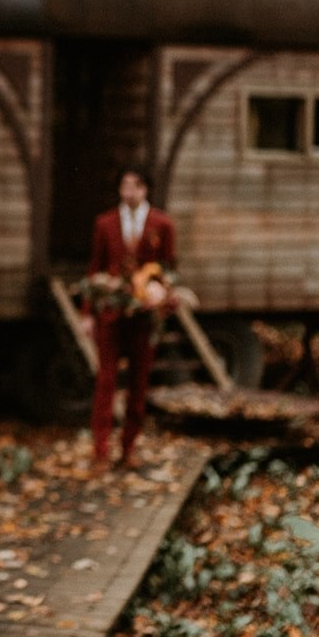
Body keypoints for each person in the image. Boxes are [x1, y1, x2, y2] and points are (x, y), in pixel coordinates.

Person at [80, 167, 175, 472]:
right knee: (106, 381)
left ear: (145, 189)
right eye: (123, 186)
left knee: (139, 383)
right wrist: (87, 313)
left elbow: (168, 268)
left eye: (134, 186)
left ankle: (129, 447)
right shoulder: (105, 223)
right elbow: (94, 267)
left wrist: (161, 294)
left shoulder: (162, 224)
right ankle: (100, 450)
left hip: (144, 317)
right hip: (110, 313)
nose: (128, 192)